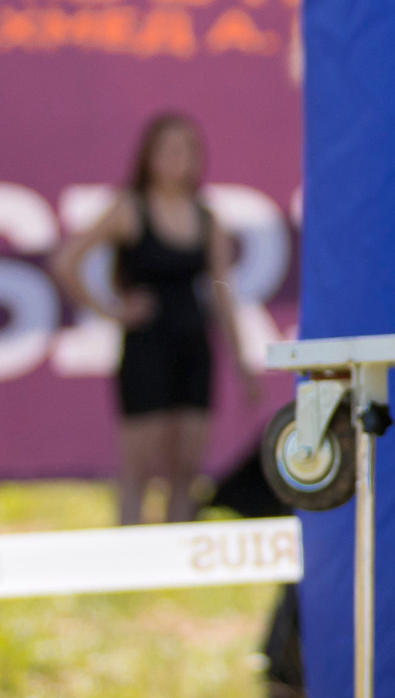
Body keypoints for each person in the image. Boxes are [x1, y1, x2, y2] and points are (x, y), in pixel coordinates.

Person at [51, 112, 257, 525]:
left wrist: (241, 361)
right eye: (167, 150)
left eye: (185, 150)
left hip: (194, 346)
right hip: (147, 348)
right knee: (139, 466)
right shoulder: (130, 209)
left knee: (186, 467)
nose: (176, 160)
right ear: (148, 156)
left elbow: (223, 292)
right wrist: (110, 309)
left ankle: (178, 554)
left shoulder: (205, 217)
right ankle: (129, 557)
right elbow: (65, 261)